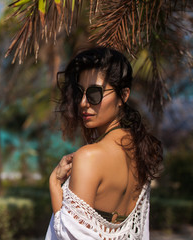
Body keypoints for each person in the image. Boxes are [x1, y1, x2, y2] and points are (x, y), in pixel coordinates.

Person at [45, 47, 162, 240]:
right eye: (80, 93)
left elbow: (70, 236)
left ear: (123, 96)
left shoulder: (90, 157)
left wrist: (54, 184)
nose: (83, 102)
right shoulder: (141, 151)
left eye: (94, 93)